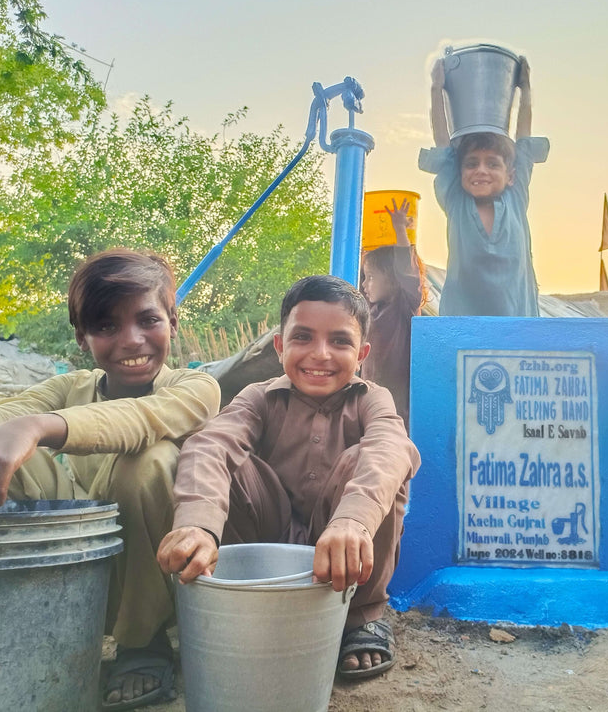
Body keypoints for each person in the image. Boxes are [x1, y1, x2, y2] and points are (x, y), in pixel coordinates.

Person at [0, 248, 222, 710]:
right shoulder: (70, 388)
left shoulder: (195, 388)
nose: (132, 340)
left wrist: (35, 428)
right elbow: (3, 413)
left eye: (148, 320)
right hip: (87, 563)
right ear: (83, 339)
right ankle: (15, 614)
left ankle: (142, 642)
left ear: (173, 322)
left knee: (149, 461)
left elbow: (138, 419)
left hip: (162, 571)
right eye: (107, 326)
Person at [158, 274, 421, 680]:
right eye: (303, 338)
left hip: (342, 545)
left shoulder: (373, 399)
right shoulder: (256, 397)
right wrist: (197, 522)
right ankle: (250, 603)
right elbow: (211, 445)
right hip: (268, 546)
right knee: (225, 460)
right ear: (280, 346)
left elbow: (390, 448)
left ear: (362, 354)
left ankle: (359, 618)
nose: (320, 354)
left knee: (379, 465)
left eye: (339, 341)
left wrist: (353, 519)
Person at [418, 54, 549, 317]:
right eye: (471, 164)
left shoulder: (515, 198)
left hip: (518, 322)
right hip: (463, 324)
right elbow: (443, 145)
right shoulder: (456, 200)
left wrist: (525, 90)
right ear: (460, 171)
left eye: (492, 164)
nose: (481, 170)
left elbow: (523, 140)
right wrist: (437, 89)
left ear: (510, 175)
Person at [360, 196, 427, 428]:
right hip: (369, 404)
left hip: (398, 410)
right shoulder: (369, 311)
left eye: (371, 278)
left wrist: (399, 230)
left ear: (392, 279)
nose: (364, 285)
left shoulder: (403, 306)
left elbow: (406, 271)